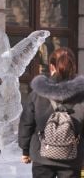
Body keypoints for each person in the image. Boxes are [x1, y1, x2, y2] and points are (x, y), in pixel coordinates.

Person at [18, 47, 84, 178]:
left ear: (52, 67)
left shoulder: (37, 93)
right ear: (74, 67)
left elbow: (26, 124)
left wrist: (25, 151)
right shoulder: (82, 94)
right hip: (72, 158)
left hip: (42, 155)